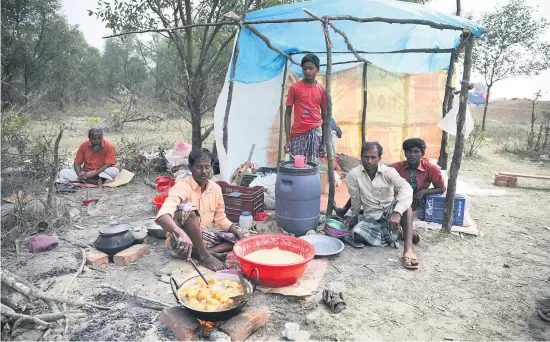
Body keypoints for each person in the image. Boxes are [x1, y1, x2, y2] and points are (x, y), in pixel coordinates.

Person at [155, 148, 247, 271]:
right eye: (199, 167)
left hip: (201, 237)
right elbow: (162, 216)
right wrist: (180, 233)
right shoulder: (182, 187)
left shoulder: (215, 188)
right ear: (190, 167)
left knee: (244, 236)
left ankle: (207, 252)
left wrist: (237, 233)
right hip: (181, 240)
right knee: (187, 209)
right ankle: (204, 256)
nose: (204, 171)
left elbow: (220, 218)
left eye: (207, 167)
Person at [344, 142, 419, 269]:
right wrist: (352, 218)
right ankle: (400, 232)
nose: (369, 161)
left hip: (390, 214)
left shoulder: (388, 172)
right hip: (371, 217)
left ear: (380, 158)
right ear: (361, 156)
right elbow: (355, 200)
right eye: (366, 157)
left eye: (373, 157)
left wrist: (396, 213)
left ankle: (408, 250)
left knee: (406, 208)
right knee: (356, 234)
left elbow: (406, 189)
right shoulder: (353, 175)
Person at [284, 54, 327, 164]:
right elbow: (287, 113)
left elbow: (325, 115)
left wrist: (324, 143)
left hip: (316, 132)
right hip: (298, 133)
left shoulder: (322, 89)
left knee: (313, 167)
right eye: (305, 69)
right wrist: (288, 140)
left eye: (311, 68)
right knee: (297, 166)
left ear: (317, 69)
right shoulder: (295, 88)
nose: (307, 71)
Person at [389, 138, 446, 215]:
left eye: (416, 151)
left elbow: (441, 189)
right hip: (397, 206)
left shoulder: (431, 169)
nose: (412, 155)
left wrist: (423, 191)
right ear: (405, 153)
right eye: (409, 151)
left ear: (422, 154)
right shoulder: (396, 167)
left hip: (419, 207)